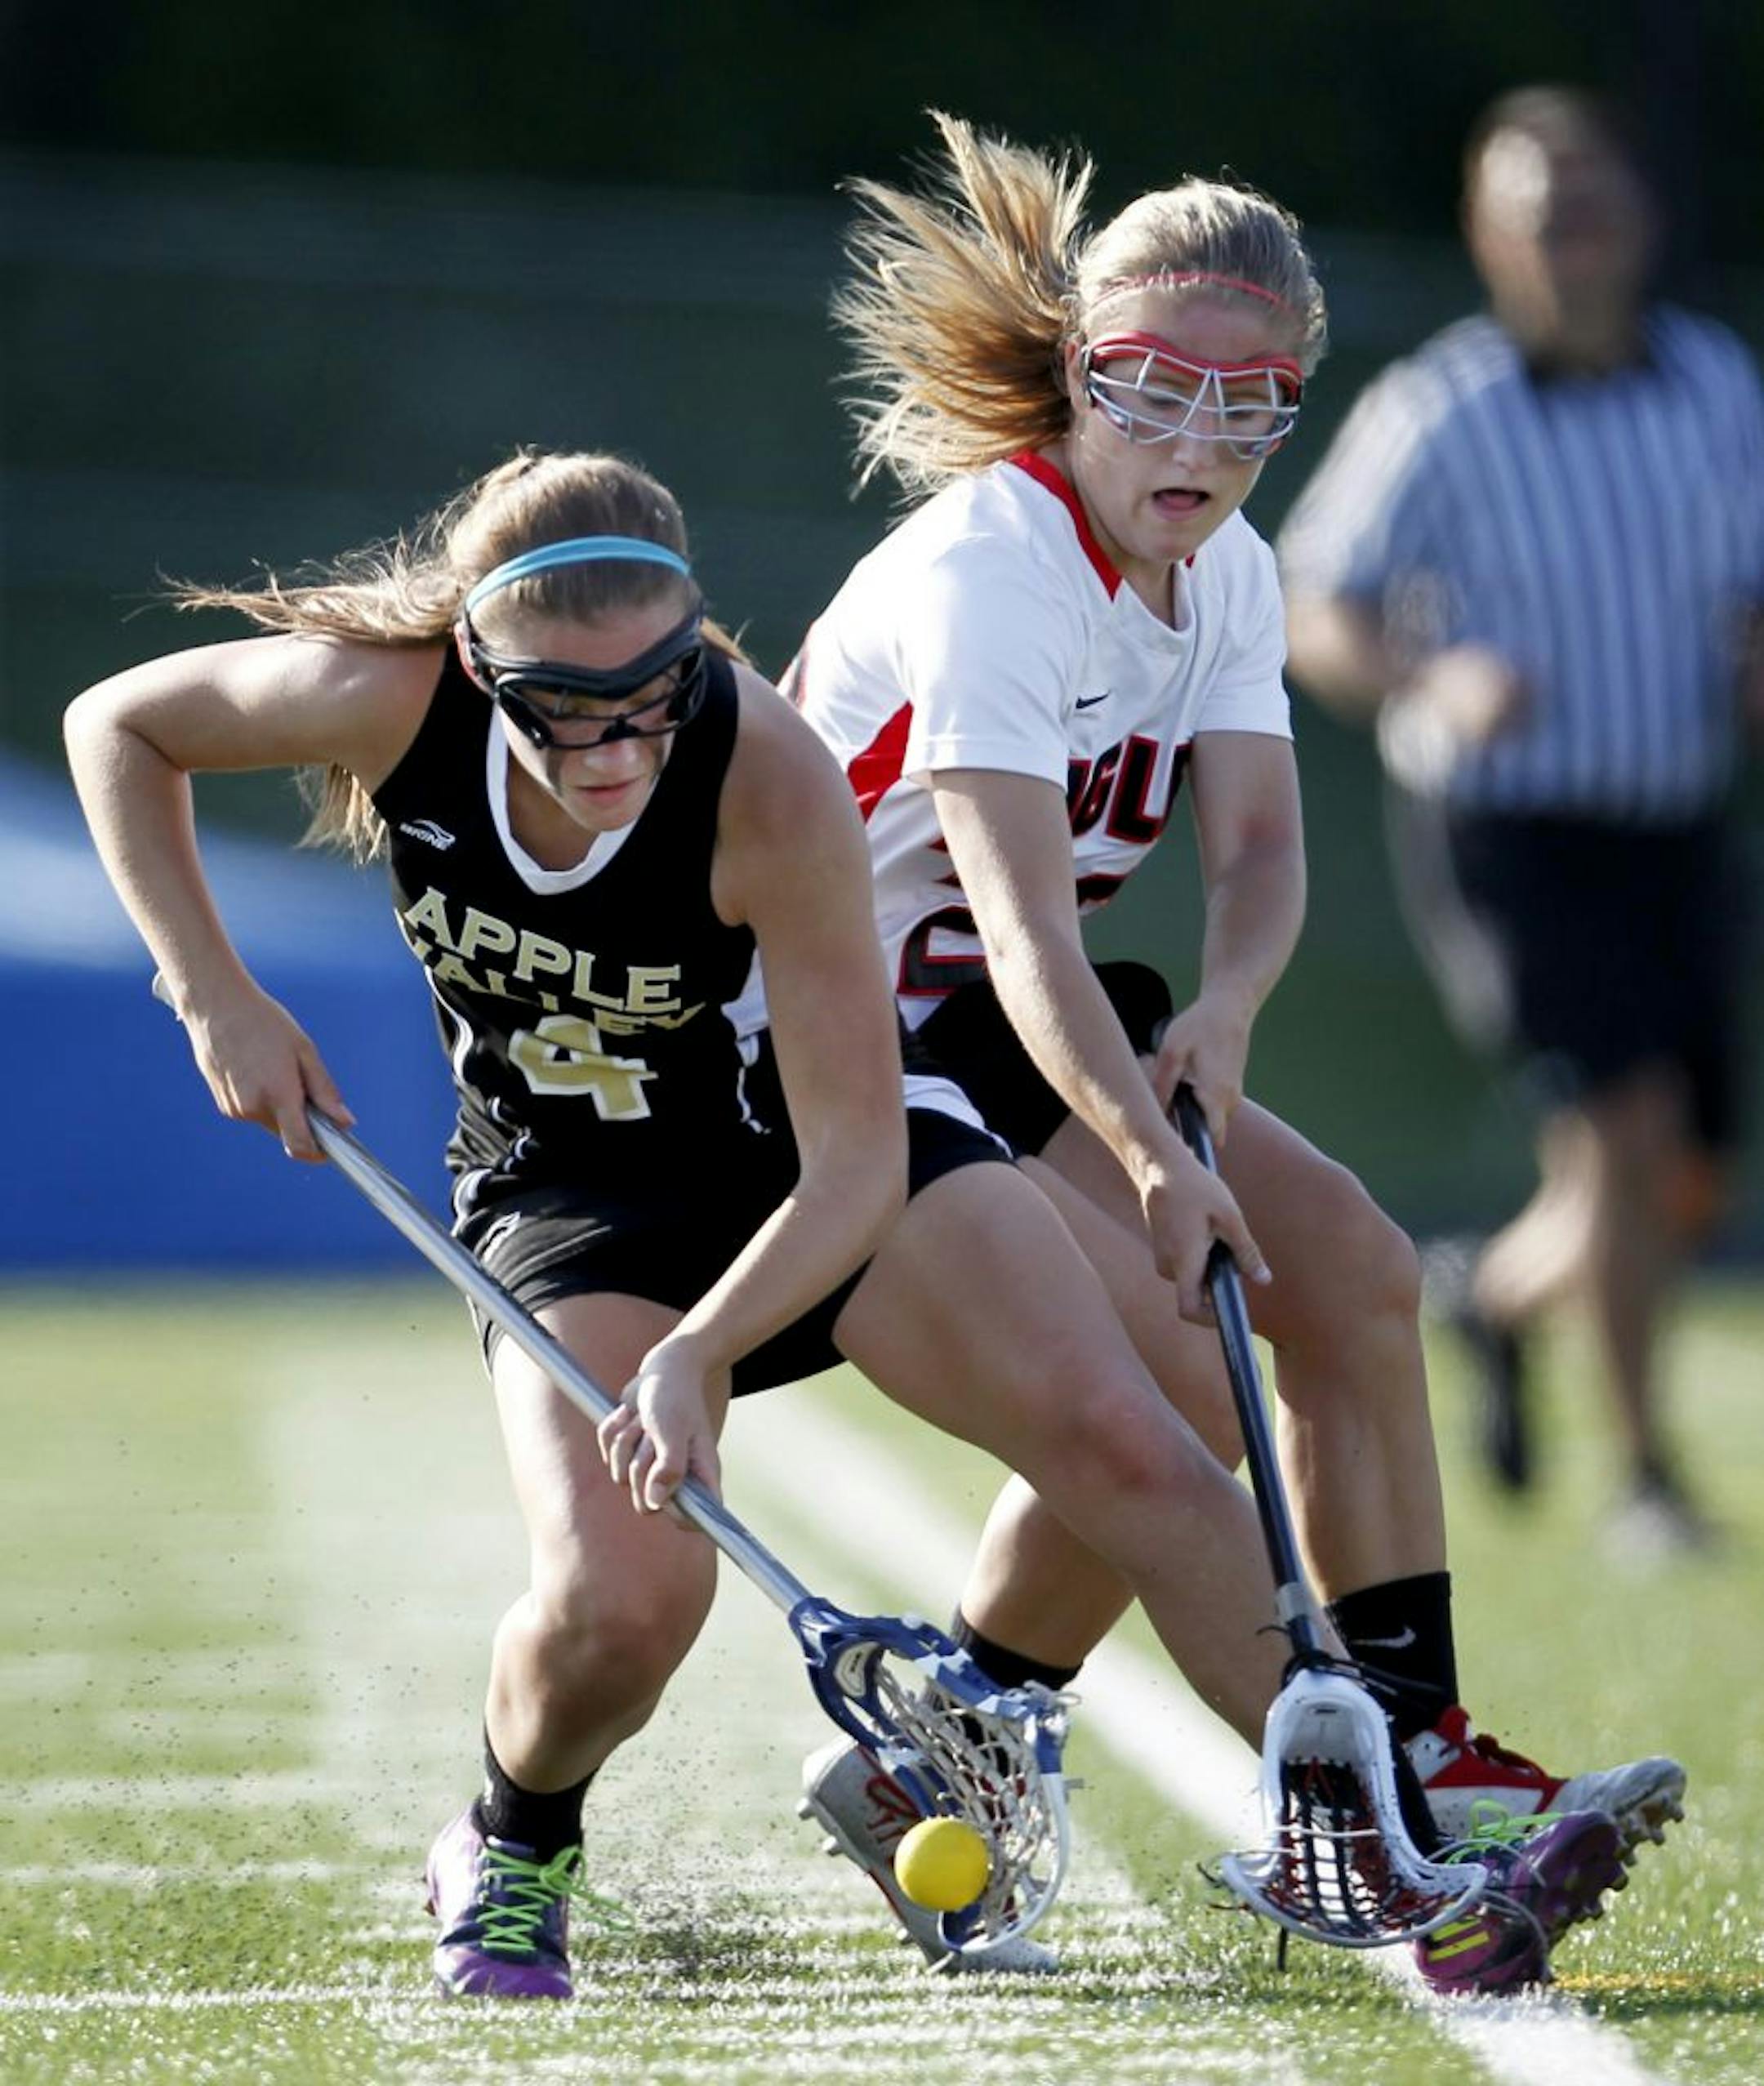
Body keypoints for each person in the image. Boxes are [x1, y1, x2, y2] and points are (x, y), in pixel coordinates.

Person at [65, 445, 1517, 2001]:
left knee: (1142, 1435)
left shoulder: (765, 778)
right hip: (574, 1198)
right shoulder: (390, 697)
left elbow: (848, 1167)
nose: (618, 744)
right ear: (483, 666)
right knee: (628, 1604)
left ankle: (1390, 1860)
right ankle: (511, 1835)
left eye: (653, 695)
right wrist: (210, 984)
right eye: (568, 708)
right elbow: (120, 726)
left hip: (818, 1166)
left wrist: (707, 1349)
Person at [781, 113, 1677, 1992]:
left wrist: (1226, 1017)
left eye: (1249, 402)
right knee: (1182, 1367)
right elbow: (1021, 924)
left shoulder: (1236, 569)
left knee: (1348, 1271)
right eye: (1154, 389)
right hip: (834, 1030)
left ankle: (1394, 1735)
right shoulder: (994, 570)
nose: (1195, 441)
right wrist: (1152, 1141)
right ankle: (1361, 1835)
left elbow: (1260, 848)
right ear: (1081, 373)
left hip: (998, 1008)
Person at [1278, 86, 1763, 1551]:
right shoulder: (1444, 406)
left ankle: (1486, 1298)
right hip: (1512, 836)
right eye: (1541, 217)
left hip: (1675, 822)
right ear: (1492, 240)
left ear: (1644, 222)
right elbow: (1315, 602)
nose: (1574, 242)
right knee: (1629, 1132)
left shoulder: (1719, 385)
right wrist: (1435, 670)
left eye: (1595, 209)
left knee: (1675, 1173)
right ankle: (1646, 1478)